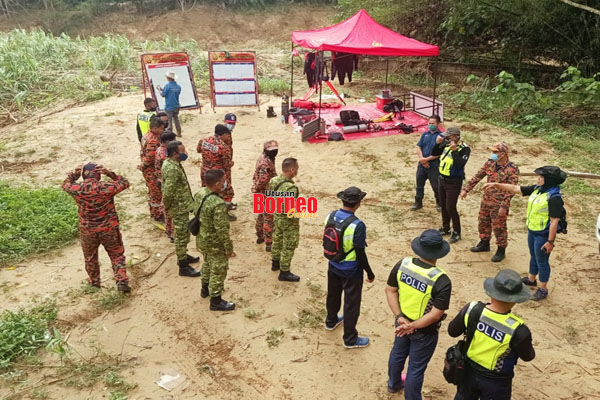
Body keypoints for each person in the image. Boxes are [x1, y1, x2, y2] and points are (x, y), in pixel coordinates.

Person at [448, 269, 535, 400]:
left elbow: (452, 331)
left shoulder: (472, 309)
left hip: (467, 371)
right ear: (516, 299)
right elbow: (528, 356)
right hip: (496, 382)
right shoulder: (518, 330)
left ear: (492, 293)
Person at [385, 229, 452, 398]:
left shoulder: (403, 264)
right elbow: (436, 314)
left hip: (401, 322)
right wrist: (412, 326)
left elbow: (390, 290)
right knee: (416, 368)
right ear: (439, 252)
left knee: (397, 353)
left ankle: (393, 384)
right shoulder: (441, 280)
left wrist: (400, 318)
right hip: (424, 331)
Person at [483, 166, 567, 301]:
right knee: (534, 256)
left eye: (541, 177)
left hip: (543, 234)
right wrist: (497, 184)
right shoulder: (538, 189)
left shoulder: (554, 198)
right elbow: (516, 189)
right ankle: (531, 279)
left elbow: (554, 221)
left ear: (548, 180)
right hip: (533, 231)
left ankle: (542, 289)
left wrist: (550, 242)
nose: (538, 179)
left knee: (542, 261)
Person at [62, 163, 131, 293]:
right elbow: (124, 182)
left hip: (88, 230)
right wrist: (109, 173)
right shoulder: (106, 187)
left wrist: (74, 175)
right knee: (116, 255)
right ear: (98, 175)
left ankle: (94, 283)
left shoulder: (77, 188)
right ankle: (121, 281)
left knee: (90, 257)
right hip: (109, 228)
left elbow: (65, 184)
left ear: (83, 176)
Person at [324, 187, 375, 349]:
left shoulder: (330, 216)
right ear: (358, 203)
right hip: (351, 270)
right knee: (351, 304)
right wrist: (369, 271)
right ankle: (350, 339)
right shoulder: (357, 225)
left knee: (332, 294)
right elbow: (360, 252)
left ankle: (331, 321)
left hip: (333, 263)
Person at [460, 143, 519, 262]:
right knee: (483, 222)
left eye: (495, 152)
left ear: (503, 154)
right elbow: (478, 176)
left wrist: (504, 205)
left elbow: (512, 189)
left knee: (499, 227)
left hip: (499, 203)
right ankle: (484, 243)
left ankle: (501, 250)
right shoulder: (490, 163)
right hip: (487, 200)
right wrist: (466, 189)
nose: (493, 154)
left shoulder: (511, 169)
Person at [194, 169, 236, 311]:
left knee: (207, 264)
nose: (225, 184)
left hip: (202, 238)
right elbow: (222, 230)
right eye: (224, 181)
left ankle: (205, 289)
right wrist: (229, 248)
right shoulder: (217, 204)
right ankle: (216, 300)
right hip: (214, 243)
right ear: (217, 184)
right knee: (218, 269)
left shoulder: (200, 193)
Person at [162, 140, 201, 277]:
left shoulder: (173, 163)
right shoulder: (172, 168)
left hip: (182, 205)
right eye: (182, 152)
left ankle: (184, 255)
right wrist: (166, 207)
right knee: (181, 235)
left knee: (184, 233)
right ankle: (183, 265)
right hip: (178, 207)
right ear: (174, 154)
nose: (185, 154)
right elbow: (168, 191)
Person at [431, 127, 471, 244]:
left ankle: (457, 231)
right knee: (443, 205)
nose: (447, 138)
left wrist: (454, 151)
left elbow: (459, 164)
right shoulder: (446, 144)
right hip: (442, 178)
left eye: (449, 136)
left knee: (450, 207)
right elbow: (434, 153)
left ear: (456, 136)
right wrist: (437, 144)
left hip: (454, 181)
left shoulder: (464, 149)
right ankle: (445, 228)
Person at [269, 158, 301, 282]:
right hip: (288, 222)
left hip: (276, 216)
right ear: (292, 170)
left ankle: (275, 263)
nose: (297, 171)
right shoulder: (291, 188)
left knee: (277, 239)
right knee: (289, 245)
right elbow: (290, 210)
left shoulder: (274, 180)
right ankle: (285, 272)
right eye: (297, 169)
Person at [197, 124, 236, 221]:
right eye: (227, 135)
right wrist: (231, 164)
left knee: (207, 192)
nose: (228, 137)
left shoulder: (203, 141)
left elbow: (198, 150)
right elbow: (226, 165)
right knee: (226, 193)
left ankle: (206, 211)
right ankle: (224, 213)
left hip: (205, 172)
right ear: (222, 135)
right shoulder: (223, 147)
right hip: (218, 175)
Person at [252, 140, 279, 252]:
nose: (275, 152)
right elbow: (263, 180)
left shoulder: (267, 158)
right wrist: (258, 188)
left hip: (262, 192)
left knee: (261, 215)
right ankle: (268, 242)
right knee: (268, 217)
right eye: (272, 150)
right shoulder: (265, 163)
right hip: (265, 192)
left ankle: (260, 236)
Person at [411, 115, 442, 212]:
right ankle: (418, 203)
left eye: (433, 123)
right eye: (429, 123)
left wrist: (426, 160)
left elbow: (439, 153)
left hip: (434, 165)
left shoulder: (441, 137)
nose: (431, 125)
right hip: (422, 165)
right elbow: (419, 147)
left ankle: (439, 204)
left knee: (436, 186)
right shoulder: (425, 134)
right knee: (419, 185)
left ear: (438, 124)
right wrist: (422, 159)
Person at [139, 117, 165, 222]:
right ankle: (158, 214)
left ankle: (153, 211)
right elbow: (150, 157)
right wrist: (143, 165)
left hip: (147, 170)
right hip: (152, 170)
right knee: (156, 193)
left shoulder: (146, 135)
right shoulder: (153, 140)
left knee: (151, 191)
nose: (162, 131)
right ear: (155, 128)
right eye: (161, 129)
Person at [155, 130, 177, 241]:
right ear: (168, 141)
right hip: (166, 182)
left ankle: (169, 230)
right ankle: (172, 232)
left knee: (167, 208)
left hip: (161, 180)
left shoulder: (159, 149)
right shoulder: (165, 154)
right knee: (170, 209)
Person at [157, 71, 182, 136]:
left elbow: (163, 95)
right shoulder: (178, 86)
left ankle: (170, 133)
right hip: (176, 105)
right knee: (176, 119)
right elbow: (173, 93)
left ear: (168, 78)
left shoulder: (167, 86)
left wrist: (159, 90)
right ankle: (179, 132)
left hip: (169, 106)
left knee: (169, 121)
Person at [222, 113, 237, 212]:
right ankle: (225, 208)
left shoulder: (228, 132)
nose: (231, 125)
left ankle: (228, 203)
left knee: (228, 184)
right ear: (224, 122)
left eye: (233, 123)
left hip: (227, 164)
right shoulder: (222, 134)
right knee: (225, 186)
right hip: (223, 166)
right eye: (229, 123)